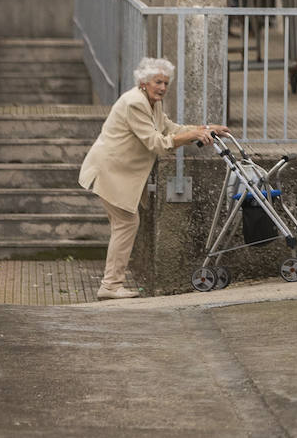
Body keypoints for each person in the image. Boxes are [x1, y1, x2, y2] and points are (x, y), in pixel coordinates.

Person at [78, 57, 226, 299]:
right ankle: (110, 286)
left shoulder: (151, 102)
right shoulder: (135, 103)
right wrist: (193, 135)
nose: (163, 88)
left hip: (116, 172)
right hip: (110, 171)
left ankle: (111, 284)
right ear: (144, 82)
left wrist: (205, 128)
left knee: (123, 224)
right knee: (126, 223)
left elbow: (169, 127)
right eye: (158, 82)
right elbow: (157, 143)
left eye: (166, 83)